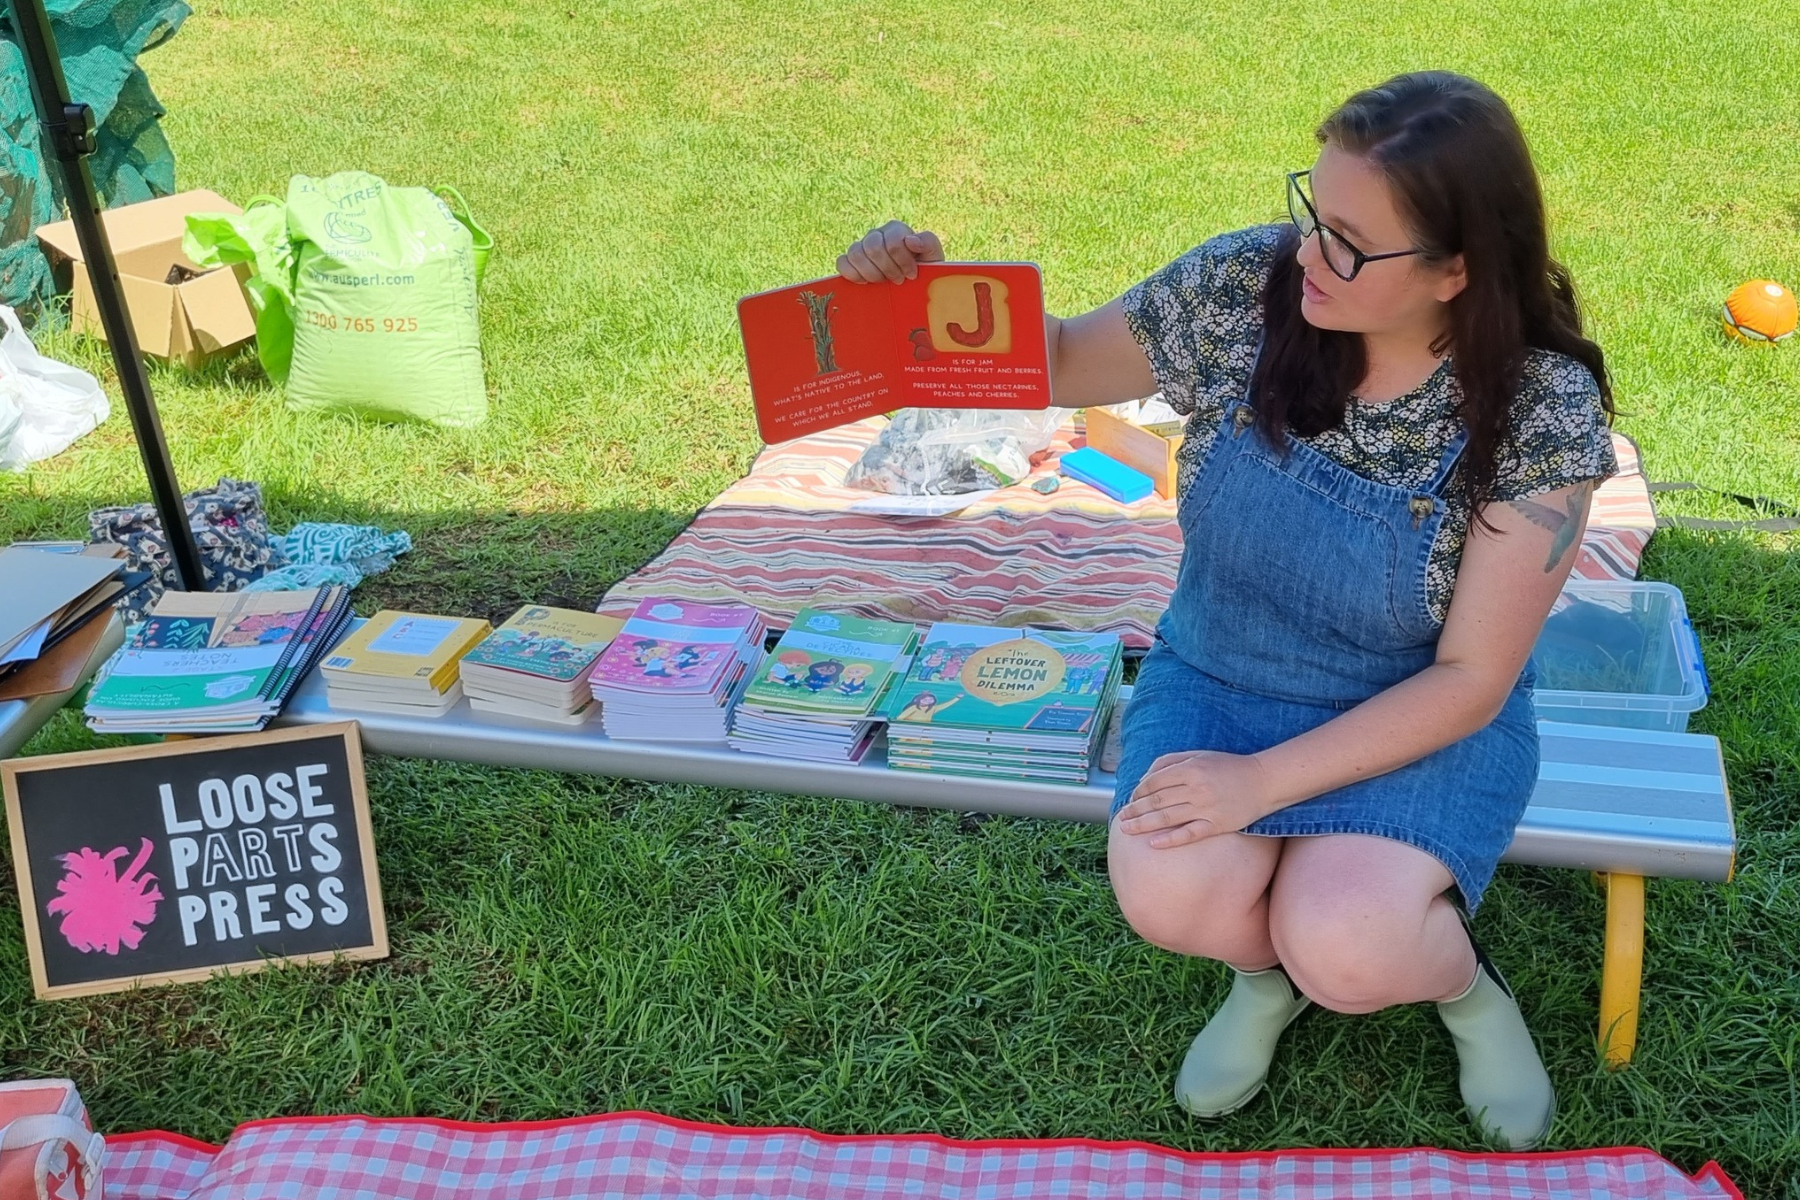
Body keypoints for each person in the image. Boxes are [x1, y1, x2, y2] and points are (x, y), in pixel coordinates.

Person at [835, 71, 1616, 1148]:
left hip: (1418, 714)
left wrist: (1257, 785)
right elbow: (1061, 360)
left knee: (1350, 943)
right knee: (1171, 892)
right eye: (1313, 213)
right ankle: (1262, 981)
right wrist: (914, 294)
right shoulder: (1250, 288)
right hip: (1222, 673)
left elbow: (1471, 679)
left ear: (1458, 272)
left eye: (1348, 241)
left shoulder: (1538, 407)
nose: (1306, 254)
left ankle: (1466, 992)